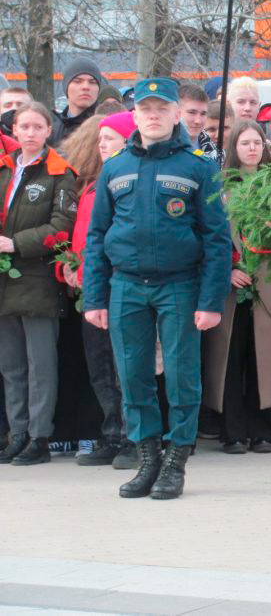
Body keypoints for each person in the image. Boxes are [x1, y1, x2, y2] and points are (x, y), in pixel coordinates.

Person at [83, 78, 231, 499]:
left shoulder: (199, 167)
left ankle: (176, 461)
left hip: (179, 286)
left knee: (183, 377)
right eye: (145, 108)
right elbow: (97, 236)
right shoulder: (115, 167)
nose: (153, 114)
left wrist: (210, 301)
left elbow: (216, 239)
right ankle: (147, 458)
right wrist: (94, 297)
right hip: (126, 285)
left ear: (175, 114)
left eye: (161, 108)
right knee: (133, 377)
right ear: (135, 114)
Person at [203, 121, 271, 454]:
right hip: (230, 288)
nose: (252, 148)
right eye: (245, 143)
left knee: (265, 361)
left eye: (257, 142)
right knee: (229, 360)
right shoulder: (219, 187)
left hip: (268, 284)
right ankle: (232, 430)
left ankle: (263, 430)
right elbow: (211, 237)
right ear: (234, 148)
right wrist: (227, 270)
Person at [0, 102, 78, 465]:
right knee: (11, 364)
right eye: (23, 126)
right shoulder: (3, 169)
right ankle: (16, 434)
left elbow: (61, 228)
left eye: (37, 126)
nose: (29, 133)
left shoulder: (60, 173)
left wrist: (15, 243)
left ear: (49, 131)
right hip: (4, 281)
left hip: (37, 279)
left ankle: (39, 437)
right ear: (13, 130)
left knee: (40, 363)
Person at [58, 112, 138, 468]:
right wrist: (69, 267)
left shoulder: (127, 182)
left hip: (118, 284)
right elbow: (80, 236)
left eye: (110, 138)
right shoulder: (91, 185)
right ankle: (112, 434)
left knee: (125, 366)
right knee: (100, 366)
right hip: (90, 286)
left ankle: (134, 438)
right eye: (100, 138)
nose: (101, 143)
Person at [50, 58, 104, 146]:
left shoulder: (106, 129)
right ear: (66, 87)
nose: (86, 87)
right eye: (78, 81)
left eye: (92, 82)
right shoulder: (51, 130)